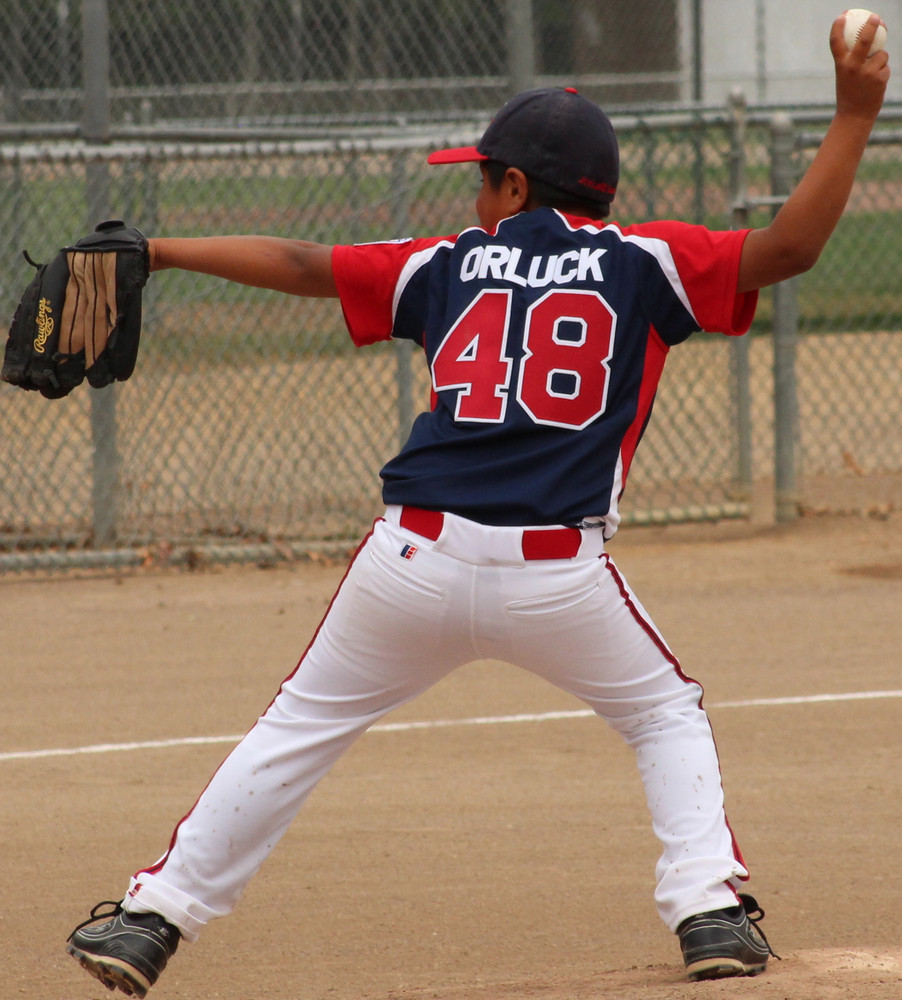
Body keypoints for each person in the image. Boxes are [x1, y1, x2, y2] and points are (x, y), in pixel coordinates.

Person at [65, 13, 888, 997]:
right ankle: (707, 909)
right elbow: (789, 248)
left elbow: (304, 263)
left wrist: (158, 250)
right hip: (558, 577)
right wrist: (853, 114)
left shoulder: (448, 260)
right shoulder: (646, 260)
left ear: (515, 188)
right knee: (663, 712)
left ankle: (151, 920)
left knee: (295, 729)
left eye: (483, 177)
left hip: (407, 563)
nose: (475, 193)